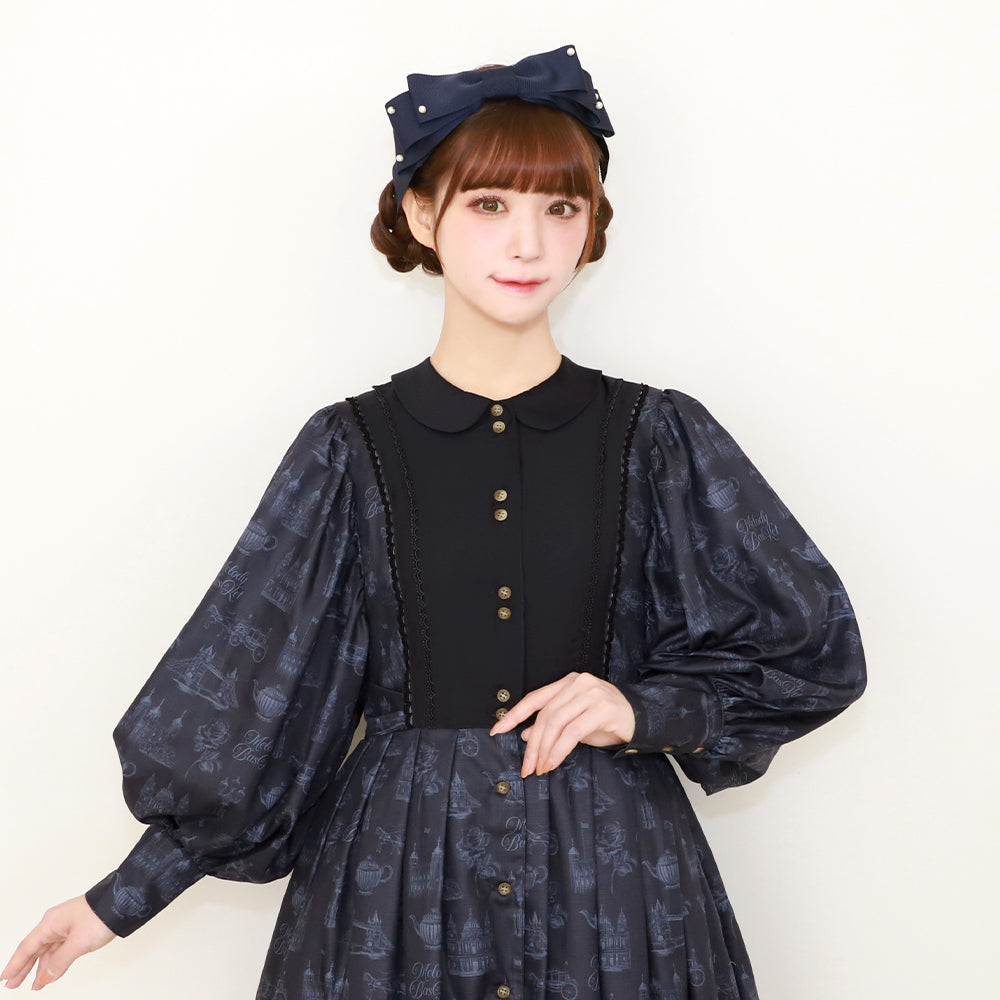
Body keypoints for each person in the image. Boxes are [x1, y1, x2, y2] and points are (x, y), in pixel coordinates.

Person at [2, 44, 866, 999]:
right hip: (396, 898)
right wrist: (117, 900)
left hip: (614, 891)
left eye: (560, 208)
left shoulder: (658, 439)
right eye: (489, 205)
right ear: (422, 214)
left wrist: (641, 708)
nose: (528, 244)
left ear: (590, 226)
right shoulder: (348, 451)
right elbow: (264, 701)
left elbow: (810, 649)